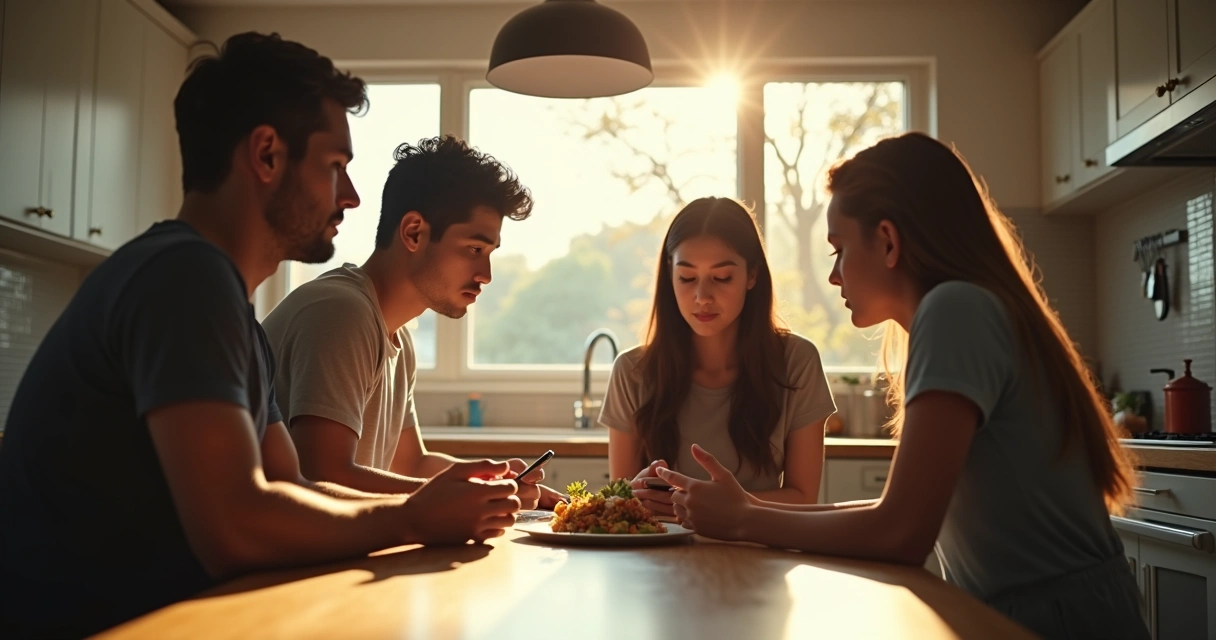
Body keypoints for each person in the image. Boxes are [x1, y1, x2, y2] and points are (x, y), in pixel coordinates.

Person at [0, 33, 521, 638]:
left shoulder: (230, 308)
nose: (350, 197)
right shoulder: (182, 276)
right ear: (267, 155)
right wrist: (410, 517)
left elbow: (290, 485)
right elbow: (235, 527)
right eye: (335, 168)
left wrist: (431, 508)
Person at [657, 133, 1149, 640]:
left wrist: (743, 520)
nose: (833, 275)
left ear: (889, 242)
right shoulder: (963, 309)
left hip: (1060, 622)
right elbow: (894, 511)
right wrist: (746, 508)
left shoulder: (955, 311)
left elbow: (901, 532)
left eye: (839, 249)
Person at [262, 135, 562, 508]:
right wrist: (466, 496)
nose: (485, 274)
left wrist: (495, 481)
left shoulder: (397, 336)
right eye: (474, 249)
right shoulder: (340, 313)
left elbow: (412, 463)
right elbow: (324, 474)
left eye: (489, 254)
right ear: (413, 232)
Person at [601, 197, 836, 517]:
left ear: (752, 275)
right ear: (670, 277)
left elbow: (804, 498)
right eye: (686, 278)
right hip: (659, 560)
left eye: (722, 277)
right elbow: (621, 501)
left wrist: (719, 507)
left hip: (758, 555)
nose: (702, 297)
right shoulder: (632, 371)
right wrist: (632, 496)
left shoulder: (797, 362)